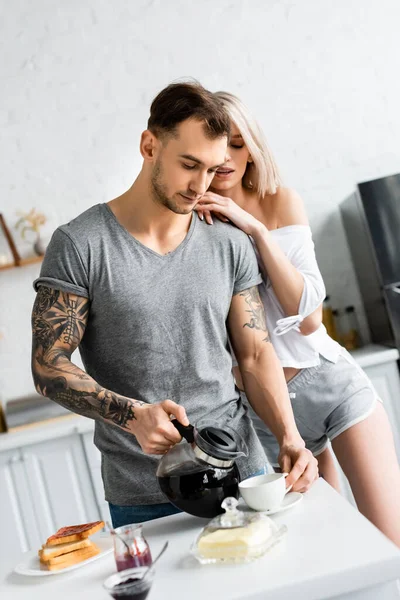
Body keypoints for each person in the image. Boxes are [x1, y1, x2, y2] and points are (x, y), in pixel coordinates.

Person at [31, 81, 318, 528]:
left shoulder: (228, 243)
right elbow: (48, 366)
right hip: (143, 493)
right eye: (189, 165)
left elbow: (256, 353)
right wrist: (132, 416)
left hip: (245, 474)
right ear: (149, 146)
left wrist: (289, 435)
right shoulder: (81, 244)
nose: (200, 184)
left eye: (212, 168)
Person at [194, 90, 400, 546]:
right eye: (215, 146)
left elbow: (306, 318)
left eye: (238, 143)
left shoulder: (279, 200)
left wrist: (255, 230)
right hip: (263, 416)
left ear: (253, 146)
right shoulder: (193, 227)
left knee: (390, 541)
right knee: (325, 550)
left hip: (328, 381)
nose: (227, 158)